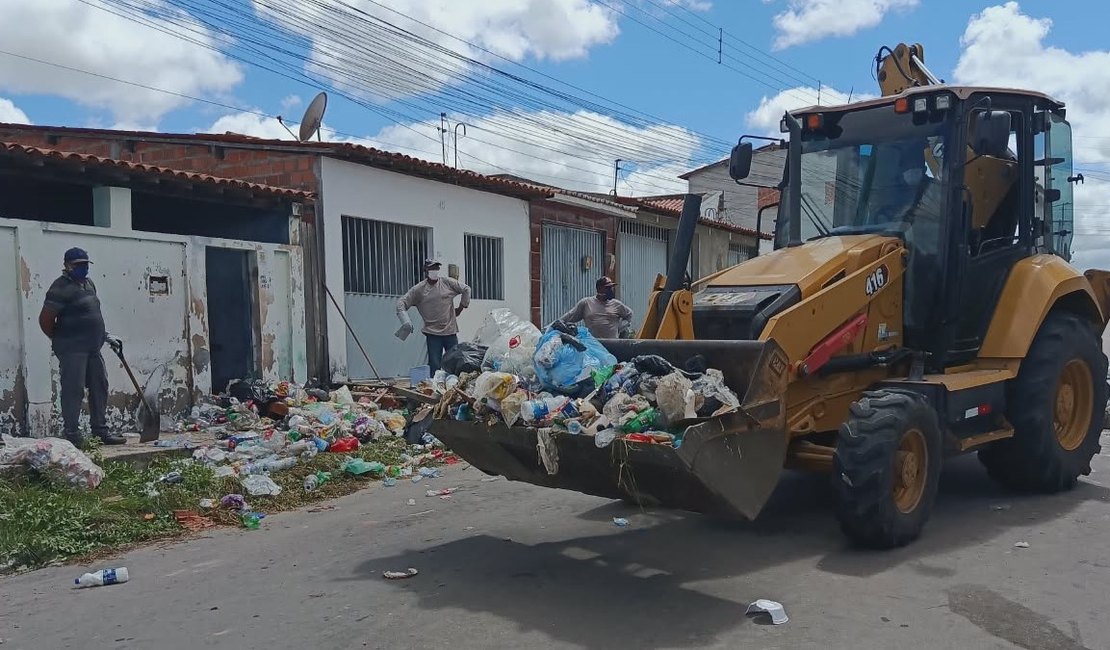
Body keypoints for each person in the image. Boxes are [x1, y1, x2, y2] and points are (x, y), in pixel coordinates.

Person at [38, 247, 126, 448]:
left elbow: (92, 314)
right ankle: (72, 434)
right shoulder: (59, 288)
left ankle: (100, 431)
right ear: (67, 266)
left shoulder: (88, 284)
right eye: (78, 265)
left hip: (93, 346)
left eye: (85, 264)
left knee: (99, 386)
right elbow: (45, 320)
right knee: (73, 389)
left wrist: (105, 336)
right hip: (72, 349)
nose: (83, 268)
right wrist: (61, 337)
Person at [396, 259, 471, 373]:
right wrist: (406, 322)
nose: (434, 271)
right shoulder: (419, 290)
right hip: (433, 334)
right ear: (426, 270)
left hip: (450, 331)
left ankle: (454, 385)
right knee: (435, 364)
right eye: (431, 268)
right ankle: (435, 386)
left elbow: (466, 289)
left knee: (454, 362)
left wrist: (461, 308)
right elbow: (401, 303)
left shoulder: (447, 283)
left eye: (436, 268)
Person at [560, 276, 634, 339]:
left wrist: (619, 327)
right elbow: (569, 316)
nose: (611, 290)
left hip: (613, 345)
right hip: (594, 346)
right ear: (599, 289)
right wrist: (555, 325)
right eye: (608, 288)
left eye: (612, 288)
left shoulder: (617, 304)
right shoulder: (586, 303)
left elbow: (629, 314)